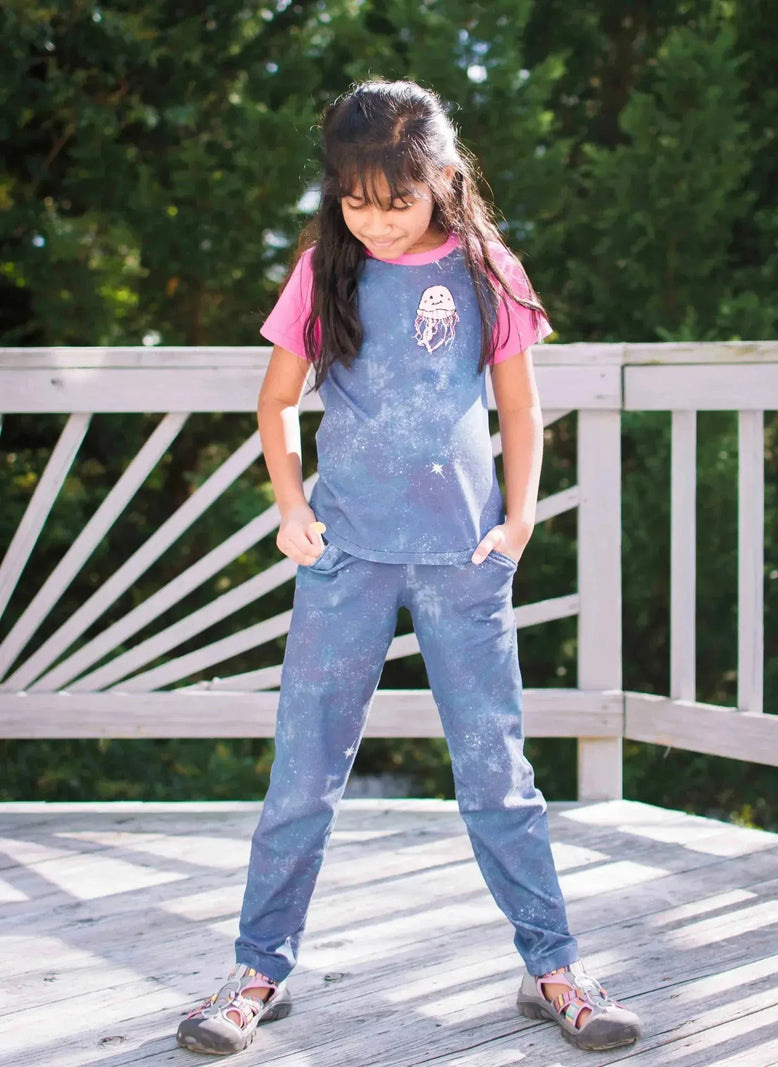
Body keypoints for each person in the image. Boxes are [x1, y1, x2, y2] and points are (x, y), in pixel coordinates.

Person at [177, 79, 642, 1057]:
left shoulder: (485, 268)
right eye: (355, 199)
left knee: (496, 772)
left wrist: (518, 520)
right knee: (303, 772)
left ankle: (552, 965)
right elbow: (276, 402)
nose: (376, 219)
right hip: (344, 555)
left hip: (463, 558)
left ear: (441, 180)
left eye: (396, 199)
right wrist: (292, 507)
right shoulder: (324, 269)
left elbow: (520, 407)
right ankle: (258, 968)